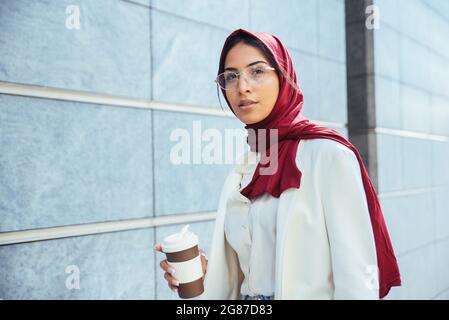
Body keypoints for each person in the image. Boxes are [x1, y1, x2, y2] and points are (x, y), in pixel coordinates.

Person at [155, 28, 401, 300]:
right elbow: (251, 276)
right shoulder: (247, 165)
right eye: (231, 76)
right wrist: (204, 276)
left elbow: (357, 279)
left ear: (283, 76)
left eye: (257, 71)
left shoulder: (327, 154)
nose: (243, 86)